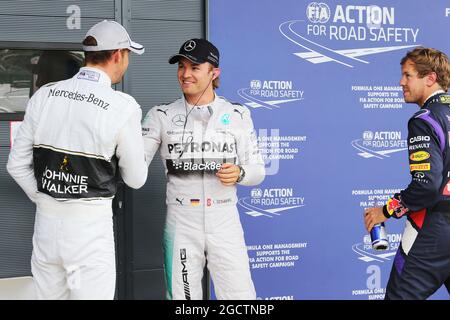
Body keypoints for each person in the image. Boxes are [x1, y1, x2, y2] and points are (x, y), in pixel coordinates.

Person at [7, 20, 148, 300]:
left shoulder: (45, 95)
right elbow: (136, 178)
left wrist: (45, 199)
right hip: (90, 231)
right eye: (128, 55)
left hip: (46, 227)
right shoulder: (122, 106)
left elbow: (15, 164)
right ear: (119, 54)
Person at [142, 38, 265, 300]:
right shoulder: (160, 115)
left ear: (214, 72)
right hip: (181, 221)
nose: (186, 74)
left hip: (224, 218)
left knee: (240, 298)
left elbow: (258, 170)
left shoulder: (237, 113)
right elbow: (135, 164)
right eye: (182, 66)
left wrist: (240, 173)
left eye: (195, 67)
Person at [364, 47, 450, 300]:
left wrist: (386, 210)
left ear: (430, 78)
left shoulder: (425, 119)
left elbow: (426, 186)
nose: (401, 82)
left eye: (407, 75)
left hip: (435, 228)